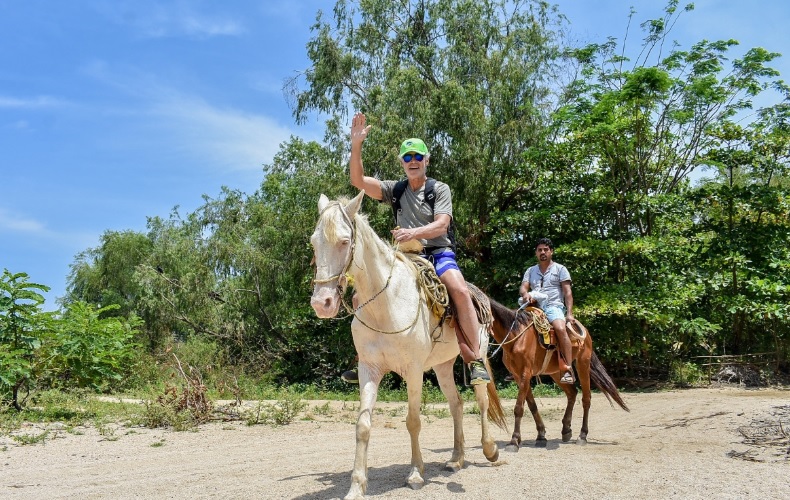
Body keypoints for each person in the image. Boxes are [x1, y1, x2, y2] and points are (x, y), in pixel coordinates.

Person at [343, 112, 490, 385]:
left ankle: (475, 360)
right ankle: (364, 357)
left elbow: (442, 225)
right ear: (401, 162)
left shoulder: (439, 189)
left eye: (418, 157)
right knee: (359, 295)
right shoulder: (395, 190)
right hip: (405, 257)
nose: (413, 161)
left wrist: (413, 232)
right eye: (407, 157)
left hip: (437, 253)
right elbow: (358, 181)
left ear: (426, 161)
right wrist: (356, 145)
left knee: (458, 289)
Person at [519, 237, 576, 384]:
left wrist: (569, 313)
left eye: (546, 249)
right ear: (536, 253)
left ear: (551, 251)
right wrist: (525, 295)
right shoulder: (530, 270)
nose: (542, 252)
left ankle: (567, 369)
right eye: (540, 250)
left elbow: (568, 293)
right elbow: (524, 287)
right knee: (513, 325)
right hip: (533, 307)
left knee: (560, 328)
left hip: (553, 306)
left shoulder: (560, 269)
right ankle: (515, 367)